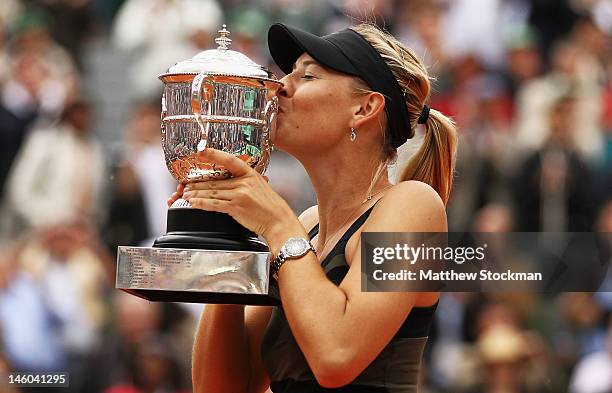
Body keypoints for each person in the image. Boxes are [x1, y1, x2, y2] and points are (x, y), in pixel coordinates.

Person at [168, 22, 458, 392]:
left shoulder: (415, 205)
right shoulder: (304, 228)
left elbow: (336, 356)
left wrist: (275, 225)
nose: (280, 86)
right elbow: (220, 387)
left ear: (364, 107)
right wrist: (231, 238)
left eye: (308, 76)